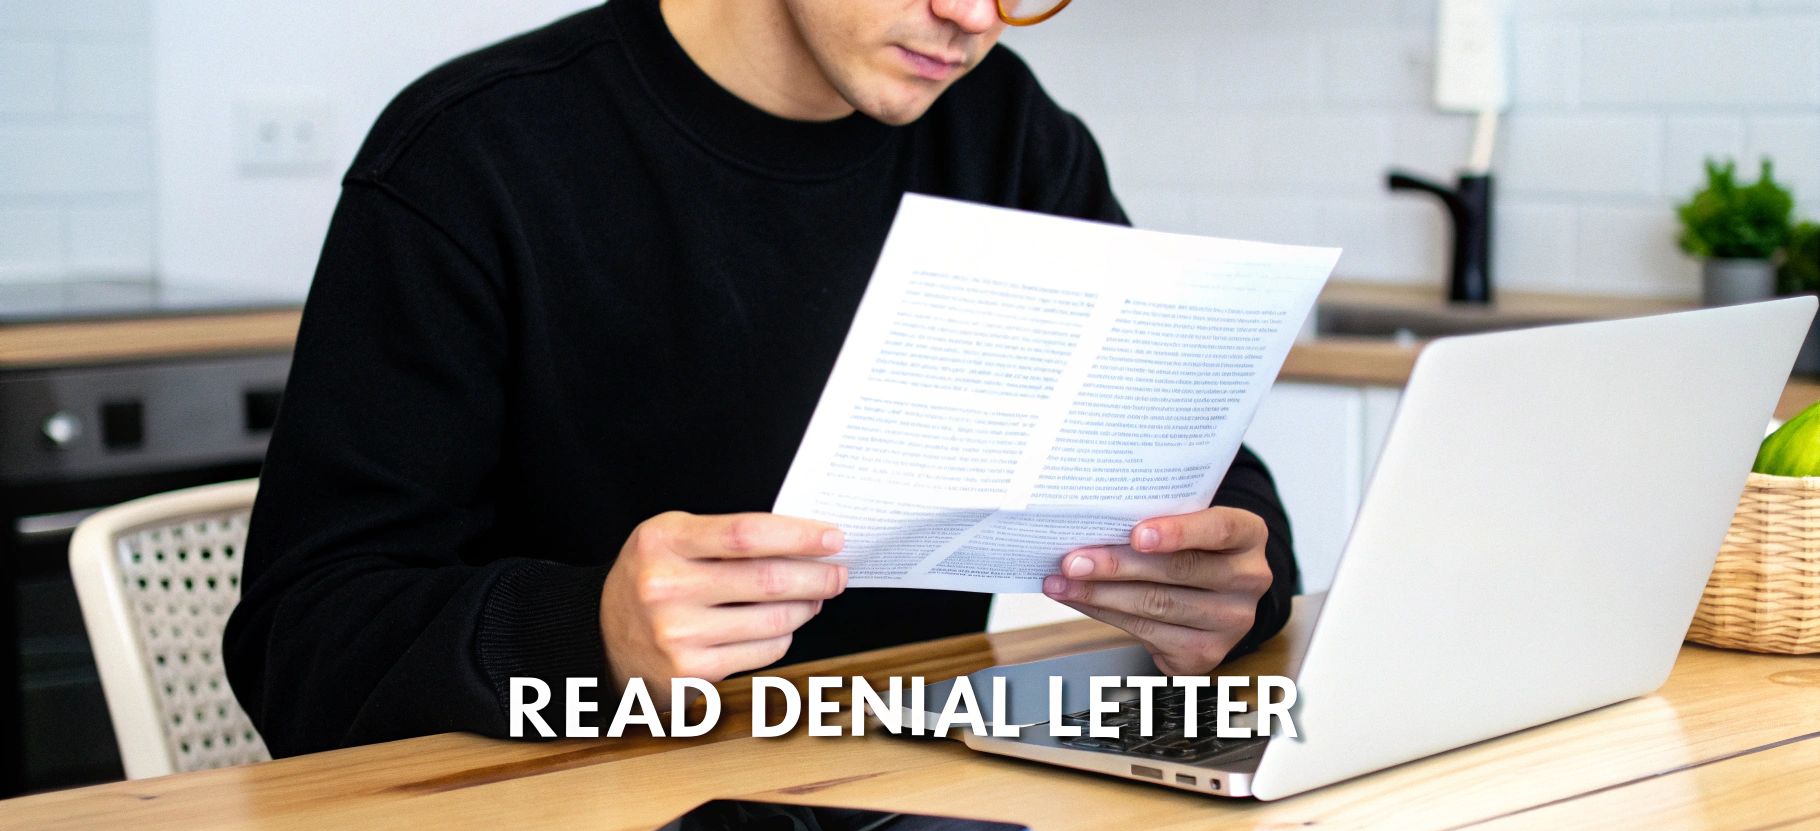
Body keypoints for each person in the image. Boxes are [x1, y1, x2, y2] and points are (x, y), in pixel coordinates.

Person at [224, 0, 1300, 756]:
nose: (973, 15)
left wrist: (1224, 581)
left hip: (915, 830)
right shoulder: (471, 156)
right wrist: (589, 634)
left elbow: (1206, 481)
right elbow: (302, 643)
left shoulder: (1005, 135)